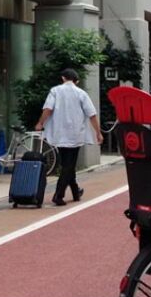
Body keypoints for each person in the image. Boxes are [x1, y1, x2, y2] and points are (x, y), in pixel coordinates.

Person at [35, 69, 103, 206]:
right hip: (76, 134)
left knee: (67, 164)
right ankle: (58, 195)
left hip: (59, 133)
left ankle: (76, 191)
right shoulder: (81, 93)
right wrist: (98, 132)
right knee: (69, 165)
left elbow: (48, 109)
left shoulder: (55, 91)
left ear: (63, 78)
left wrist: (40, 123)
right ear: (76, 81)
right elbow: (92, 114)